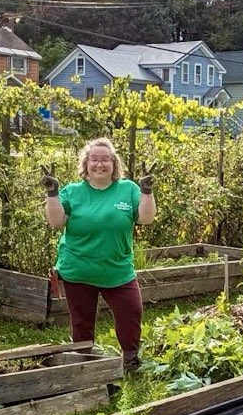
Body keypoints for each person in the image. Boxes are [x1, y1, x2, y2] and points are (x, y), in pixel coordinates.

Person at [41, 138, 156, 372]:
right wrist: (52, 193)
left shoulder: (128, 189)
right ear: (86, 164)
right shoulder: (72, 192)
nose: (100, 164)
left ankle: (130, 359)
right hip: (78, 269)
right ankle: (84, 362)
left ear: (114, 164)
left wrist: (146, 191)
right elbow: (56, 221)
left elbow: (145, 218)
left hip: (118, 269)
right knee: (81, 319)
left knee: (131, 312)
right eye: (94, 159)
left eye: (106, 159)